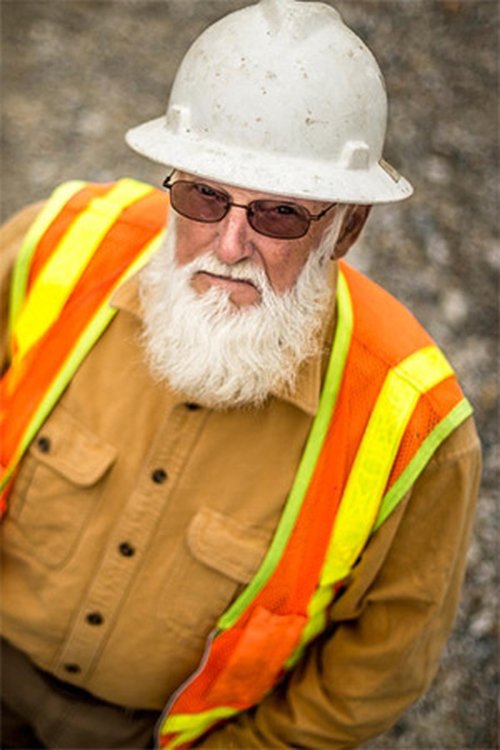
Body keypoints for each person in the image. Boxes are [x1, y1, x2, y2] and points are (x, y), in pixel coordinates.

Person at [0, 1, 481, 748]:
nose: (228, 244)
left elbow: (377, 670)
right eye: (202, 195)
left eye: (280, 214)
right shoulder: (53, 248)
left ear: (346, 227)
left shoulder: (413, 421)